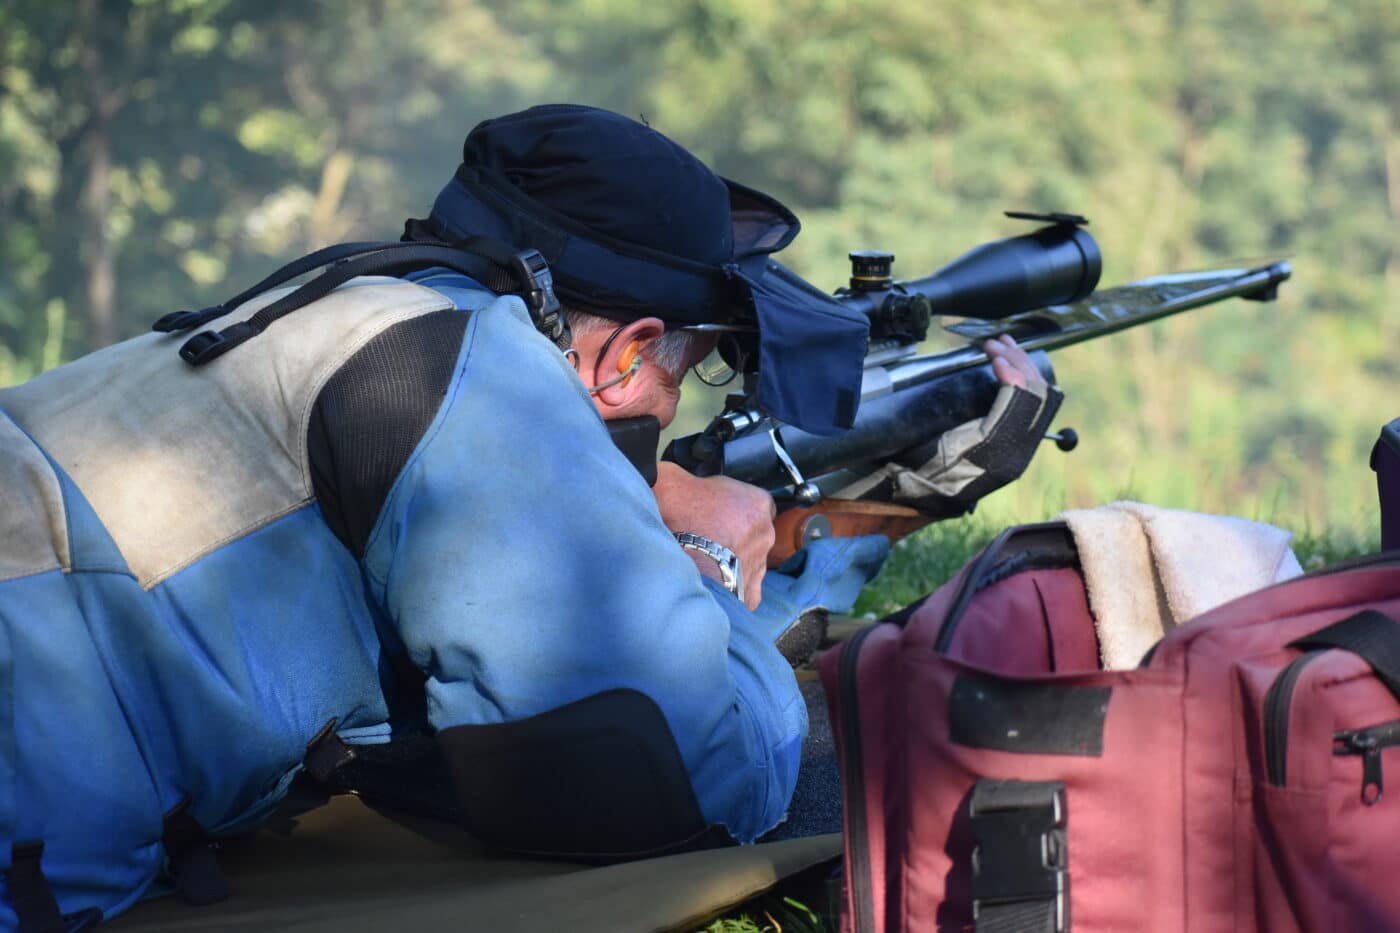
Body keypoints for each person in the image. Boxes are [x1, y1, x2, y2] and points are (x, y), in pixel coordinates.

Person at [0, 104, 1051, 928]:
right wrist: (686, 543)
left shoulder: (357, 311)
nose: (672, 406)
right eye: (685, 372)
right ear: (625, 356)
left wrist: (868, 512)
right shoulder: (472, 374)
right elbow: (670, 778)